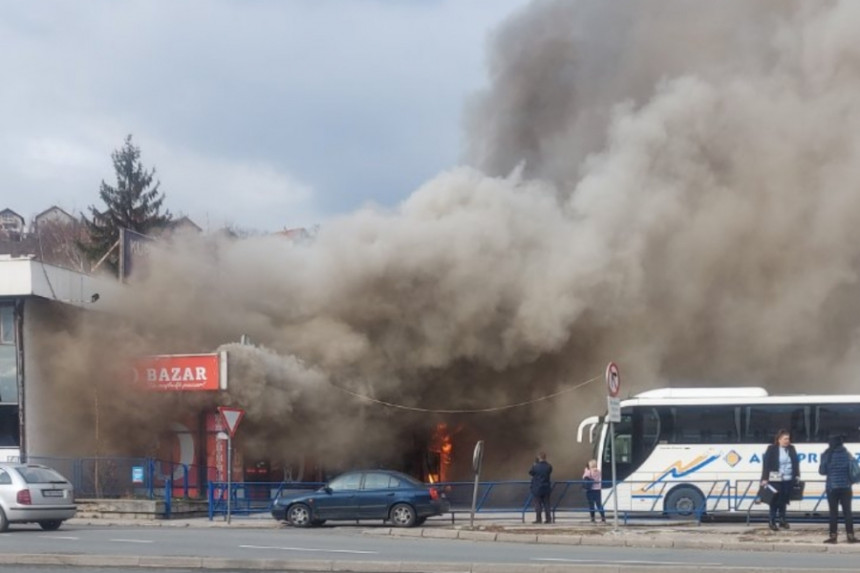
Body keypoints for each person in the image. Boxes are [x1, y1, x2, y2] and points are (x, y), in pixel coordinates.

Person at [818, 434, 858, 544]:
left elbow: (822, 471)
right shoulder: (847, 454)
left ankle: (833, 536)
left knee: (833, 513)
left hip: (832, 488)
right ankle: (850, 536)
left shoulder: (827, 454)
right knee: (847, 512)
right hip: (846, 487)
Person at [760, 428, 800, 531]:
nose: (788, 441)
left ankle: (782, 520)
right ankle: (772, 521)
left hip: (788, 478)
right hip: (775, 478)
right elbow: (766, 464)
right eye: (785, 439)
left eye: (788, 439)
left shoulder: (791, 448)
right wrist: (764, 478)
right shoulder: (772, 449)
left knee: (784, 500)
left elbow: (796, 463)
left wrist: (797, 475)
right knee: (774, 500)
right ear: (779, 439)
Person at [529, 451, 553, 524]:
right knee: (547, 504)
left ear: (539, 457)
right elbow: (549, 472)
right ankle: (548, 519)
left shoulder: (535, 466)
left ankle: (538, 519)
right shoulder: (549, 466)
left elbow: (531, 472)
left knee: (538, 504)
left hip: (537, 487)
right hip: (546, 487)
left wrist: (534, 464)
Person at [582, 459, 606, 523]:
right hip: (598, 490)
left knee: (591, 505)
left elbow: (584, 477)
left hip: (590, 490)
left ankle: (593, 519)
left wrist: (586, 470)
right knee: (599, 504)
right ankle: (603, 518)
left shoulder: (588, 471)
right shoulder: (599, 471)